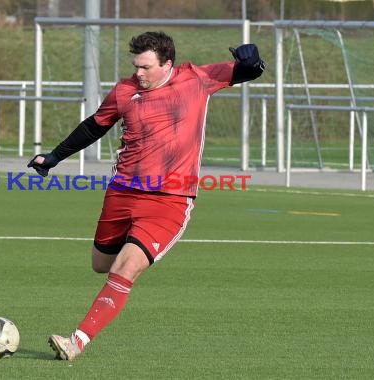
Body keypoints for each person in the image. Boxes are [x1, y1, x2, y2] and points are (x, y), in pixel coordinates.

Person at [27, 31, 265, 361]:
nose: (138, 73)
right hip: (122, 192)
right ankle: (128, 260)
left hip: (170, 199)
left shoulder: (197, 78)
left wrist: (252, 61)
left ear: (167, 64)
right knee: (101, 264)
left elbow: (246, 71)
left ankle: (76, 341)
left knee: (125, 268)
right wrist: (53, 157)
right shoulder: (125, 90)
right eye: (136, 66)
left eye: (146, 67)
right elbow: (95, 126)